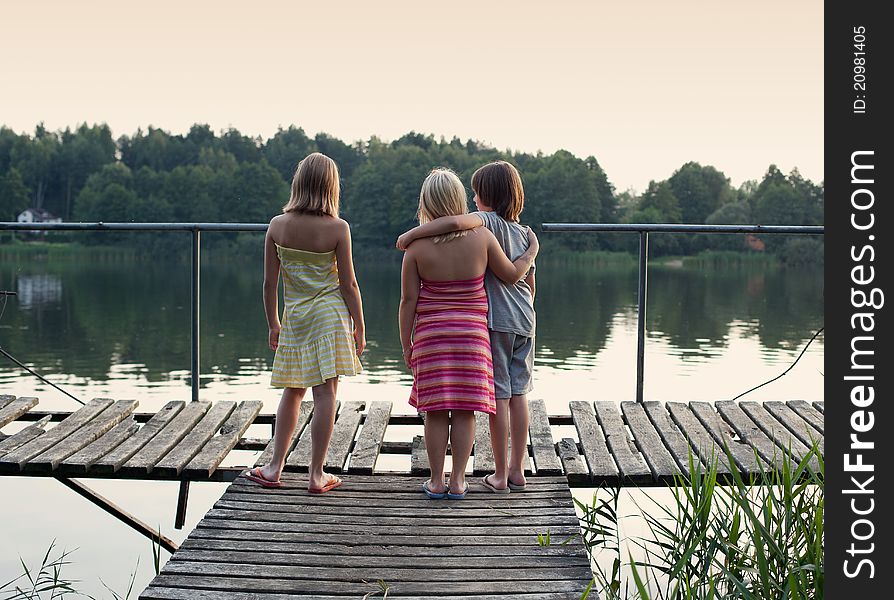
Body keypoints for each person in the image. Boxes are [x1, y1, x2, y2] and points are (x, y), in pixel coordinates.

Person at [399, 168, 537, 499]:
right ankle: (459, 481)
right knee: (464, 410)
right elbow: (511, 275)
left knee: (434, 411)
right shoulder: (483, 238)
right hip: (474, 339)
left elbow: (408, 302)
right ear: (459, 199)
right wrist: (532, 252)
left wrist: (407, 344)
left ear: (426, 202)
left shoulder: (416, 249)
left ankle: (436, 481)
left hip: (432, 337)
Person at [244, 152, 365, 493]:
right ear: (332, 188)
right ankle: (316, 474)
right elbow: (349, 284)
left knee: (292, 390)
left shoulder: (277, 226)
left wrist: (273, 324)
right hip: (329, 316)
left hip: (295, 318)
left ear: (298, 184)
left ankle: (274, 467)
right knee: (326, 393)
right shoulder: (338, 228)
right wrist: (360, 325)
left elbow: (269, 284)